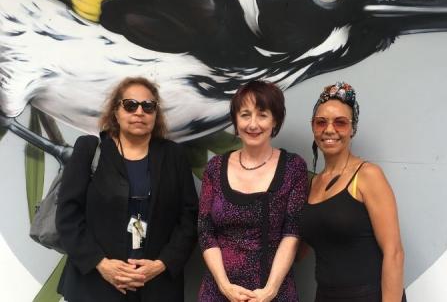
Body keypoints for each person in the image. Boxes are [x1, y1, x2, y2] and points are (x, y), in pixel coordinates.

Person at [56, 77, 199, 302]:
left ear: (155, 114)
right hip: (95, 285)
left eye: (148, 106)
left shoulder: (174, 156)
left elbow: (189, 217)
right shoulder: (90, 149)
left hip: (156, 286)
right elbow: (67, 215)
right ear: (116, 111)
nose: (139, 112)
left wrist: (162, 264)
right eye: (130, 105)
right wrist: (101, 264)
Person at [197, 80, 308, 302]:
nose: (253, 124)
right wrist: (224, 286)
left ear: (275, 120)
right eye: (245, 115)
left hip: (274, 292)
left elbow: (292, 232)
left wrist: (270, 290)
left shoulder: (294, 167)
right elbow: (205, 230)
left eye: (263, 114)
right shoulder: (215, 168)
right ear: (236, 121)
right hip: (219, 292)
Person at [299, 82, 406, 302]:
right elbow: (300, 248)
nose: (329, 130)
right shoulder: (311, 184)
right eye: (321, 122)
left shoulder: (368, 175)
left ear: (352, 128)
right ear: (313, 127)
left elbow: (394, 253)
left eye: (340, 122)